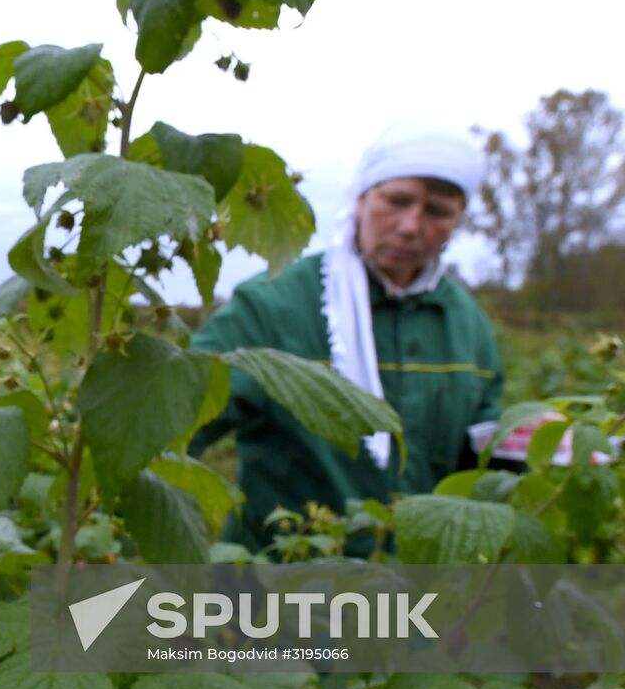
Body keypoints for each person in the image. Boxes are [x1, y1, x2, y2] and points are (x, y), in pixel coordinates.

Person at [189, 123, 503, 552]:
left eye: (438, 211)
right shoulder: (273, 307)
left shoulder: (465, 324)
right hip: (277, 592)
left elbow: (482, 452)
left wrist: (532, 447)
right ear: (361, 198)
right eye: (397, 201)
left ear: (458, 221)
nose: (411, 226)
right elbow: (175, 419)